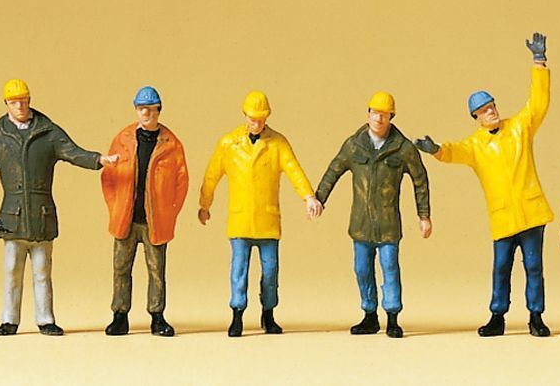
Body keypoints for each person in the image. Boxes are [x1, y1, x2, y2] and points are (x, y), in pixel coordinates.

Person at [415, 33, 553, 337]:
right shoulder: (475, 146)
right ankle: (497, 316)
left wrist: (539, 62)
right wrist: (435, 149)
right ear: (476, 117)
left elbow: (538, 103)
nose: (491, 111)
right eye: (485, 109)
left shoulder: (520, 127)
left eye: (492, 106)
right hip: (503, 218)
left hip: (531, 213)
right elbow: (454, 151)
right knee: (501, 267)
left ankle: (536, 316)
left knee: (534, 267)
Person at [0, 78, 117, 336]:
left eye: (23, 100)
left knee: (42, 271)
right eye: (14, 102)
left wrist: (98, 160)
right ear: (6, 103)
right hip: (12, 218)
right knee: (12, 271)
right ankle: (9, 319)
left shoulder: (47, 131)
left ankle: (45, 319)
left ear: (30, 100)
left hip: (41, 216)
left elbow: (73, 152)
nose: (20, 106)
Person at [198, 91, 323, 337]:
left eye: (261, 118)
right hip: (240, 220)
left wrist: (308, 196)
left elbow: (294, 170)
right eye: (252, 118)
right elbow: (211, 176)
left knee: (271, 272)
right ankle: (237, 315)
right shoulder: (229, 144)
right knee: (239, 271)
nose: (256, 123)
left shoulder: (278, 144)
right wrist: (205, 204)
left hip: (267, 220)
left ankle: (269, 313)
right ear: (245, 115)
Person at [315, 91, 431, 338]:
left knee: (390, 268)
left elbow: (420, 180)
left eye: (384, 114)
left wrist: (424, 215)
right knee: (361, 269)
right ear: (368, 113)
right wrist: (319, 199)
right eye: (375, 113)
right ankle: (369, 315)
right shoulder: (353, 145)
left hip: (388, 226)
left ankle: (392, 317)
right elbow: (333, 170)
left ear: (391, 117)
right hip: (361, 225)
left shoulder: (403, 149)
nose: (379, 118)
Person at [101, 86, 188, 337]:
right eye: (141, 108)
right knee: (121, 267)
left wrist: (169, 214)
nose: (146, 113)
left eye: (150, 109)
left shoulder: (171, 144)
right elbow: (108, 178)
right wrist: (115, 208)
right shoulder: (123, 140)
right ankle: (120, 315)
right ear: (136, 110)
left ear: (159, 110)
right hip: (125, 219)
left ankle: (157, 316)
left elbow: (181, 183)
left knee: (156, 270)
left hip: (155, 221)